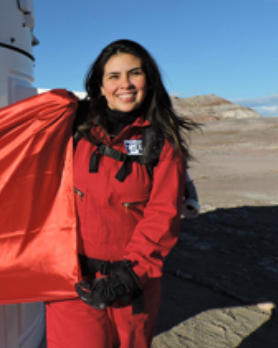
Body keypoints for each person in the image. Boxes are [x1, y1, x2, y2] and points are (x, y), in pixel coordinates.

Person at [46, 39, 200, 348]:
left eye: (134, 73)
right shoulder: (73, 129)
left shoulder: (162, 142)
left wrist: (129, 277)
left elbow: (162, 215)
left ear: (148, 80)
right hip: (72, 281)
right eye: (113, 76)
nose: (125, 84)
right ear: (100, 85)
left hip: (133, 284)